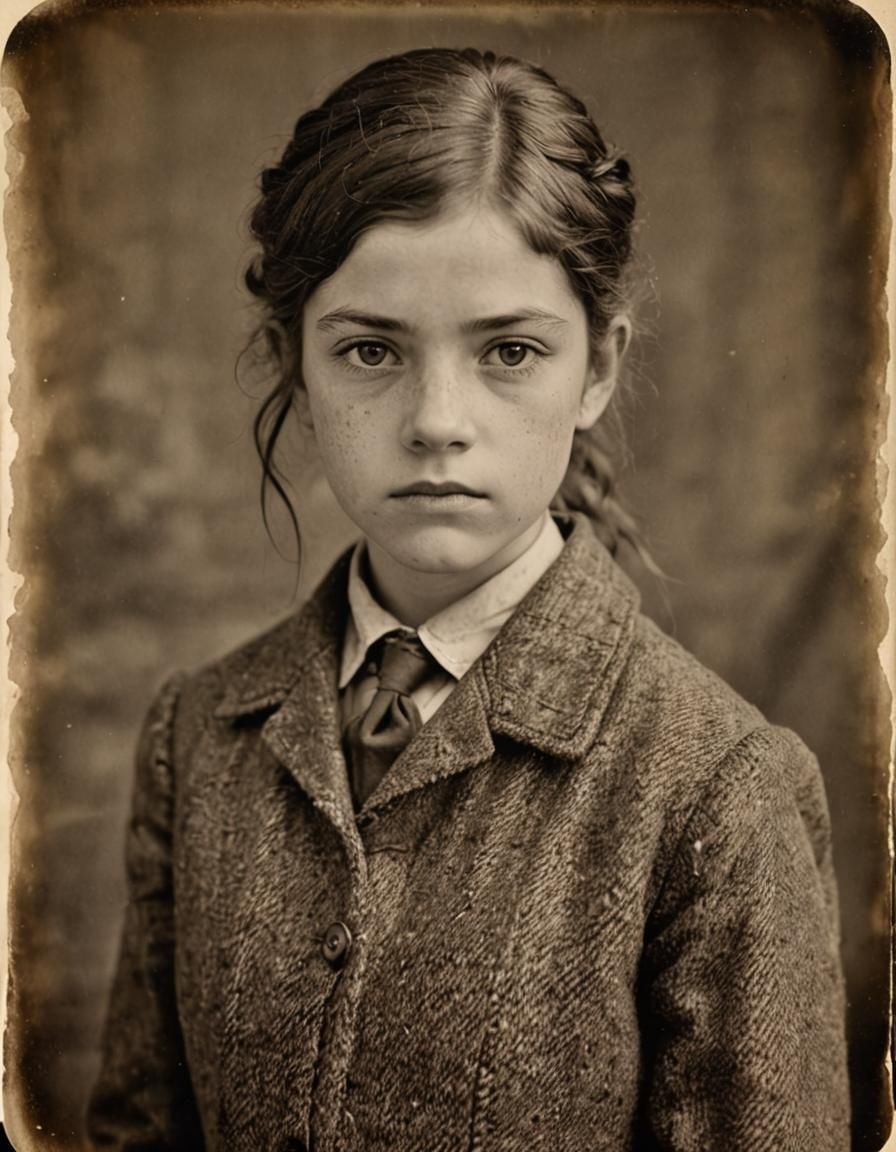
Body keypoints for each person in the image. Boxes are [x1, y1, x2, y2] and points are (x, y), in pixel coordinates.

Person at [87, 47, 849, 1151]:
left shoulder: (713, 790)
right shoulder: (198, 740)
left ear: (596, 367)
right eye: (369, 351)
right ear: (295, 365)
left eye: (508, 351)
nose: (437, 420)